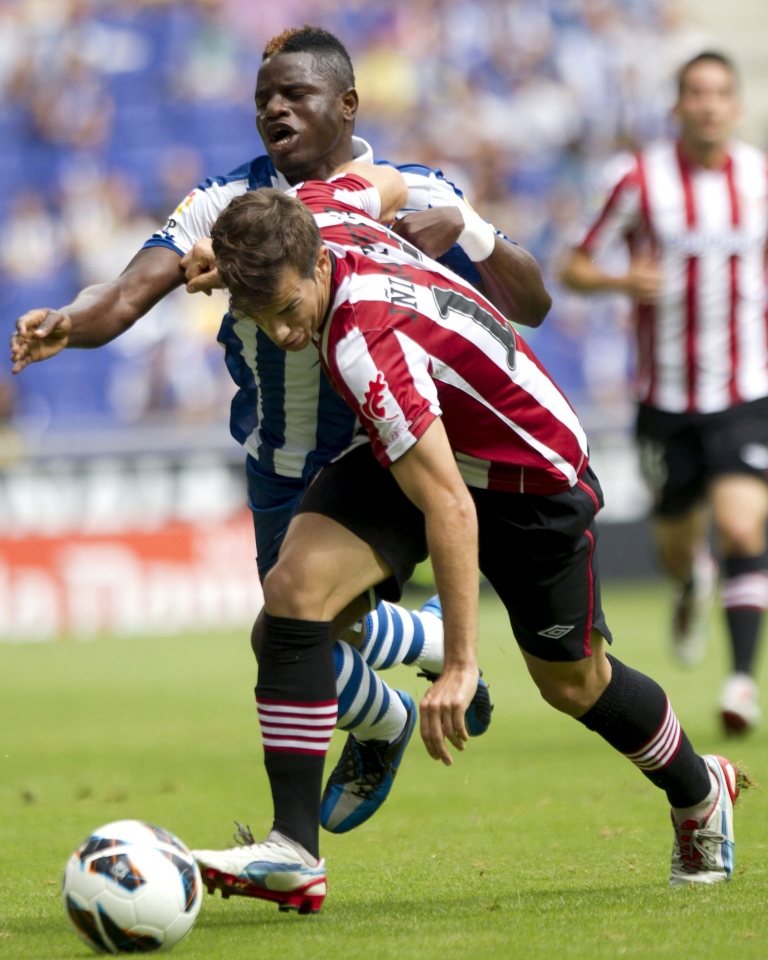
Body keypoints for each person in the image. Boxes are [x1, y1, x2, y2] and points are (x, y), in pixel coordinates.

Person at [10, 28, 548, 827]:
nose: (275, 108)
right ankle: (399, 697)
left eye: (294, 94)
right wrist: (69, 322)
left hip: (378, 452)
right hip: (278, 458)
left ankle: (310, 825)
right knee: (305, 638)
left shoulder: (414, 189)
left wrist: (474, 231)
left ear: (346, 104)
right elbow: (126, 293)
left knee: (289, 632)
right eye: (264, 97)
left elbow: (531, 305)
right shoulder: (223, 204)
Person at [190, 166, 744, 913]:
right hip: (431, 439)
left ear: (319, 262)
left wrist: (460, 664)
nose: (285, 332)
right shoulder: (314, 213)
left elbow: (451, 506)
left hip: (530, 476)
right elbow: (378, 181)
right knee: (291, 599)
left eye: (289, 307)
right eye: (260, 316)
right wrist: (231, 268)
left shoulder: (362, 344)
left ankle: (701, 789)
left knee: (574, 684)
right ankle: (293, 854)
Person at [561, 52, 768, 734]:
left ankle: (740, 682)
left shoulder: (759, 179)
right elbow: (575, 265)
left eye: (720, 93)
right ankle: (688, 581)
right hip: (665, 397)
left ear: (734, 105)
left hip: (746, 390)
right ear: (677, 106)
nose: (709, 104)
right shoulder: (639, 179)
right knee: (676, 546)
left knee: (743, 523)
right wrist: (622, 283)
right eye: (696, 93)